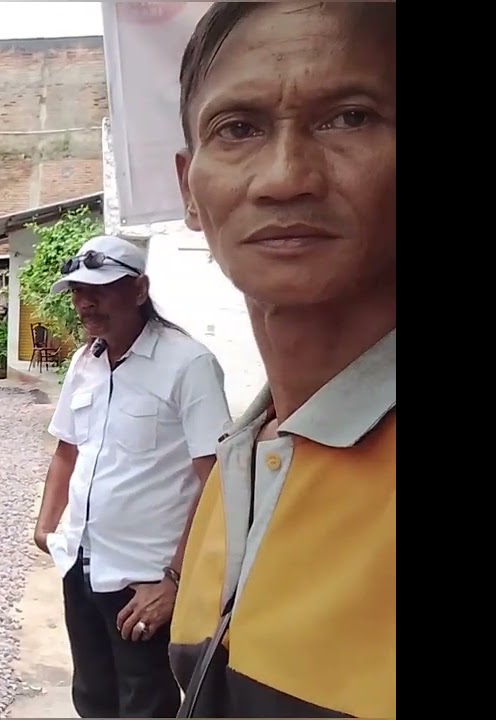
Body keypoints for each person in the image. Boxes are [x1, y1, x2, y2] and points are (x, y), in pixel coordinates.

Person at [168, 3, 395, 717]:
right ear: (189, 191)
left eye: (349, 118)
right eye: (238, 129)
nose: (286, 176)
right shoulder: (244, 455)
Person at [31, 234, 232, 719]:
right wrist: (48, 526)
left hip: (144, 580)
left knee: (145, 705)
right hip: (82, 566)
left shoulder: (188, 364)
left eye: (99, 290)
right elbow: (67, 449)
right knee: (93, 699)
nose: (85, 303)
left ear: (139, 290)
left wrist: (174, 581)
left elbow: (217, 483)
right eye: (78, 291)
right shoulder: (86, 362)